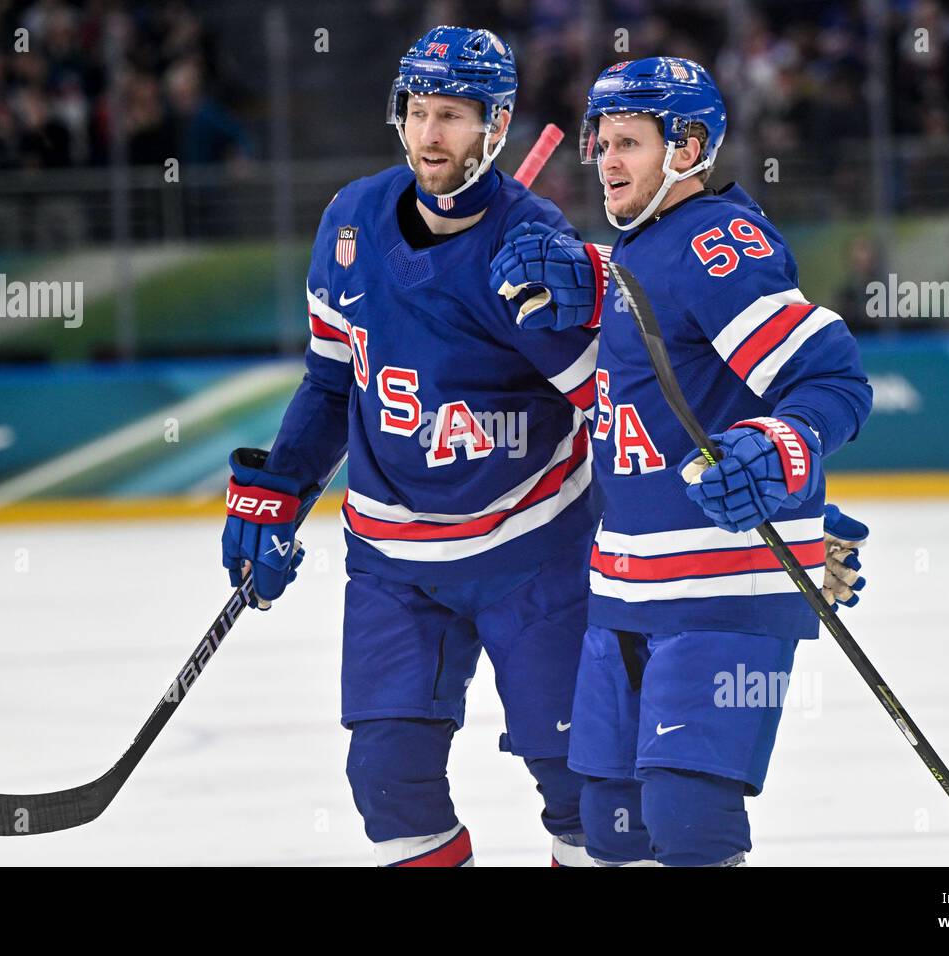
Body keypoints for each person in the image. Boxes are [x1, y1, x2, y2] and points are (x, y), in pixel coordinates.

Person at [220, 26, 602, 867]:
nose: (430, 135)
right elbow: (330, 384)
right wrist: (278, 489)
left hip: (534, 550)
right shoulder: (350, 220)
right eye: (419, 112)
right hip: (394, 558)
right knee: (388, 783)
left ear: (496, 126)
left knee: (585, 790)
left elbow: (609, 405)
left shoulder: (533, 244)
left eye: (454, 116)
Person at [490, 56, 873, 866]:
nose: (606, 160)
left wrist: (782, 452)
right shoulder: (646, 251)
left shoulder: (713, 243)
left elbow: (831, 379)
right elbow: (670, 387)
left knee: (688, 817)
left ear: (690, 146)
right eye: (600, 141)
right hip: (625, 594)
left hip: (723, 590)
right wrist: (587, 276)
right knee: (609, 822)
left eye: (629, 141)